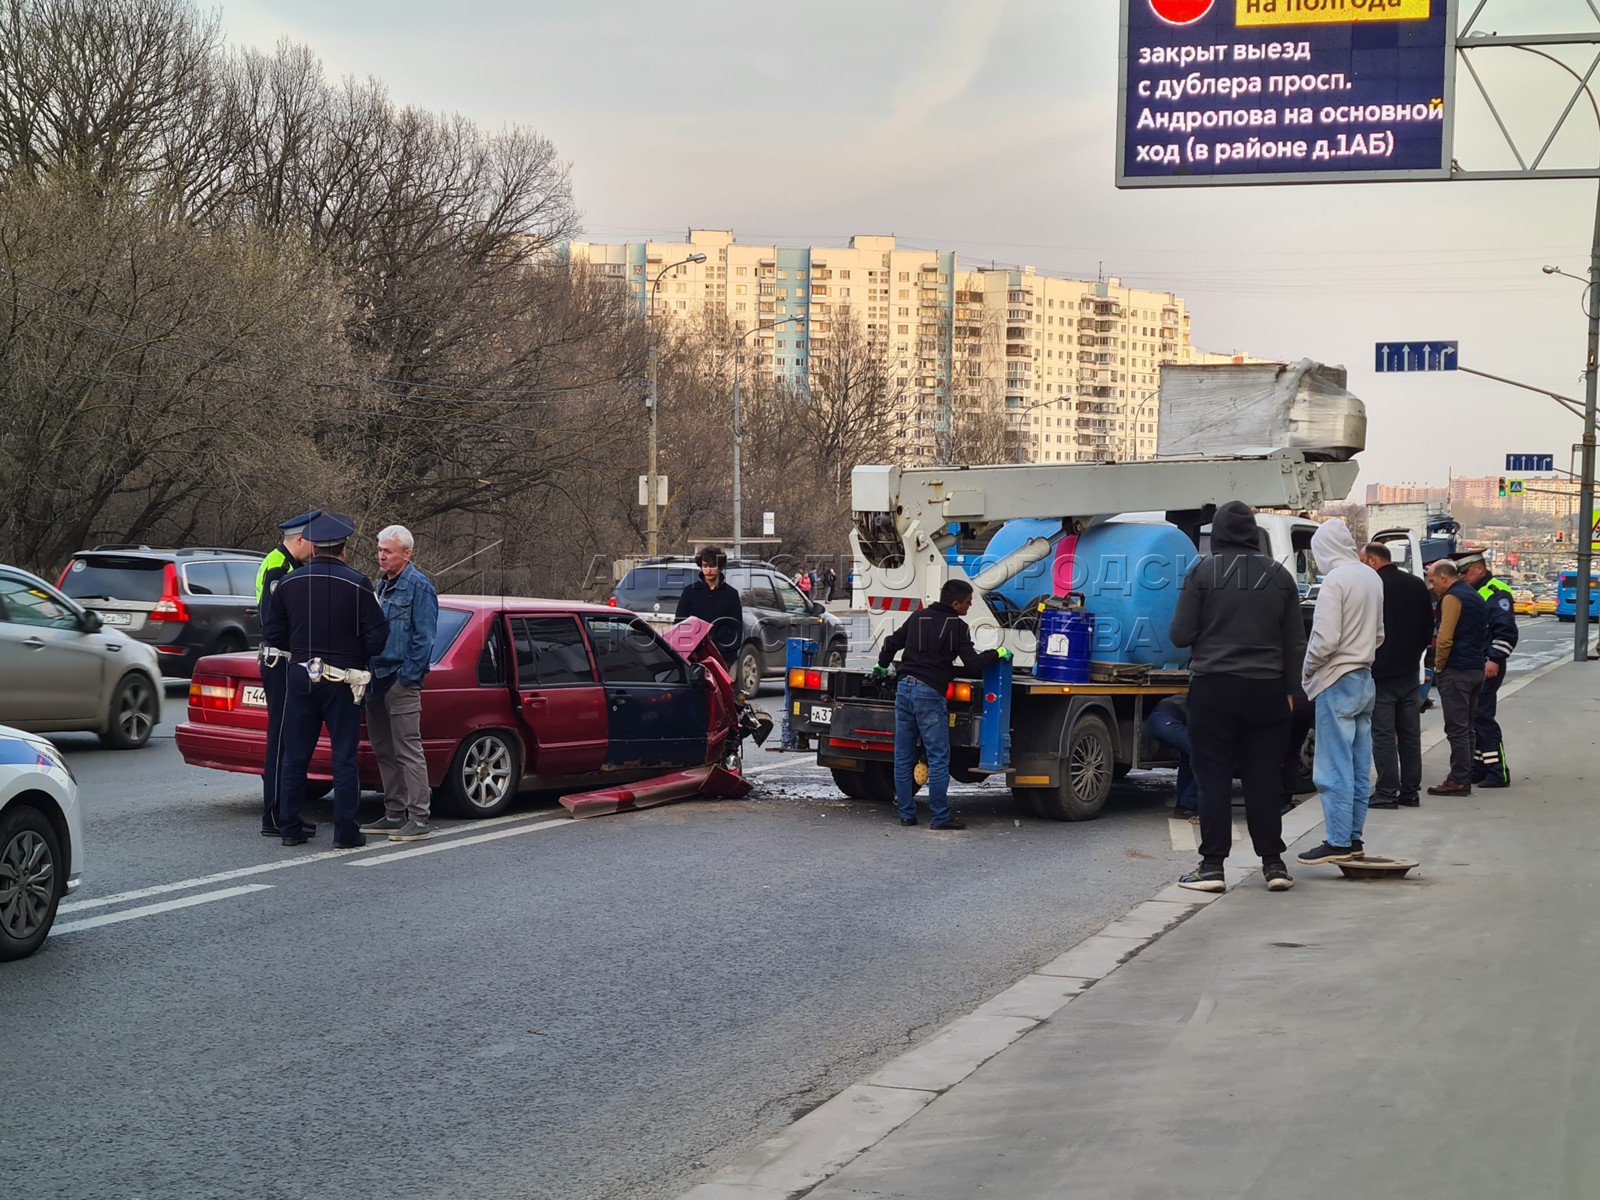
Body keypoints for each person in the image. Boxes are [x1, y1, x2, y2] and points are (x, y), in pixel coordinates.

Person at [1168, 501, 1304, 893]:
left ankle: (1212, 867)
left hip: (1215, 689)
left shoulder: (1203, 573)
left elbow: (1180, 635)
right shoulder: (1280, 578)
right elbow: (1295, 642)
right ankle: (1274, 865)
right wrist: (1292, 689)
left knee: (1213, 779)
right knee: (1264, 777)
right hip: (1268, 691)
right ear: (1252, 534)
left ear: (1220, 533)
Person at [263, 512, 388, 849]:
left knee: (295, 755)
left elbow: (273, 632)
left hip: (301, 675)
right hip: (344, 680)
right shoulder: (358, 583)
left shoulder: (289, 583)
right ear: (344, 550)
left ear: (314, 548)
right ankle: (346, 832)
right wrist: (356, 652)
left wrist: (301, 649)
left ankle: (289, 826)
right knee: (343, 756)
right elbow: (379, 636)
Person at [874, 578, 1004, 831]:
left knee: (903, 756)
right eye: (967, 602)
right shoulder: (958, 626)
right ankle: (940, 817)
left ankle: (906, 814)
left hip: (904, 688)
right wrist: (996, 654)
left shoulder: (918, 617)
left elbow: (891, 643)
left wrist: (881, 664)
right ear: (955, 603)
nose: (969, 606)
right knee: (938, 757)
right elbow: (973, 665)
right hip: (929, 692)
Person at [1296, 519, 1384, 867]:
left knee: (1333, 767)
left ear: (1323, 550)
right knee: (1360, 765)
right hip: (1365, 677)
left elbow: (1325, 639)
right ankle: (1354, 837)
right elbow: (1379, 635)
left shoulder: (1335, 580)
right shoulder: (1371, 576)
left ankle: (1337, 841)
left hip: (1336, 678)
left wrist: (1308, 669)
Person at [359, 525, 440, 842]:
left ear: (407, 554)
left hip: (400, 679)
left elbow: (424, 639)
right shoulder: (382, 584)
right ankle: (394, 813)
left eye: (388, 551)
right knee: (383, 749)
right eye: (379, 549)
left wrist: (407, 678)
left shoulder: (419, 587)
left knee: (407, 750)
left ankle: (418, 818)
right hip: (375, 677)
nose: (381, 555)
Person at [253, 508, 321, 838]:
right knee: (279, 740)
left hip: (282, 661)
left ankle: (283, 810)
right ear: (300, 539)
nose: (316, 546)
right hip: (279, 661)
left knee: (286, 738)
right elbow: (271, 620)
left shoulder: (287, 564)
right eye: (313, 540)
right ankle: (275, 816)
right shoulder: (280, 568)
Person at [1360, 541, 1434, 809]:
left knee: (1383, 735)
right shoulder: (1416, 584)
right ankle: (1410, 792)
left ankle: (1387, 792)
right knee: (1410, 734)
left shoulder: (1374, 586)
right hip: (1409, 672)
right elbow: (1429, 627)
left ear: (1372, 561)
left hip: (1381, 674)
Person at [1425, 558, 1488, 797]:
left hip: (1457, 670)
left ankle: (1458, 779)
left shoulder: (1452, 598)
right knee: (1468, 726)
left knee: (1457, 728)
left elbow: (1445, 637)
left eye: (1432, 581)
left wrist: (1439, 666)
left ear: (1444, 577)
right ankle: (1465, 774)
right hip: (1475, 668)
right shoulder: (1474, 595)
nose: (1432, 586)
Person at [1457, 550, 1518, 788]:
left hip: (1487, 663)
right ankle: (1481, 766)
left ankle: (1498, 770)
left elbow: (1505, 631)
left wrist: (1494, 658)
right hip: (1476, 662)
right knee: (1473, 717)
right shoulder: (1474, 591)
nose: (1461, 577)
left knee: (1483, 716)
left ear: (1479, 569)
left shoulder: (1495, 592)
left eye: (1465, 572)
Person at [675, 545, 744, 680]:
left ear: (720, 567)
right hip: (694, 657)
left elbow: (736, 628)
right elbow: (679, 624)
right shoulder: (690, 592)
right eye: (705, 565)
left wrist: (729, 657)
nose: (708, 570)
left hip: (721, 657)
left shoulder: (731, 594)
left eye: (712, 565)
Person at [1145, 694, 1197, 819]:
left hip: (1157, 719)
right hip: (1165, 721)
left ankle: (1184, 805)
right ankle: (1188, 804)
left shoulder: (1199, 695)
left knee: (1188, 755)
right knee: (1208, 758)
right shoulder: (1205, 702)